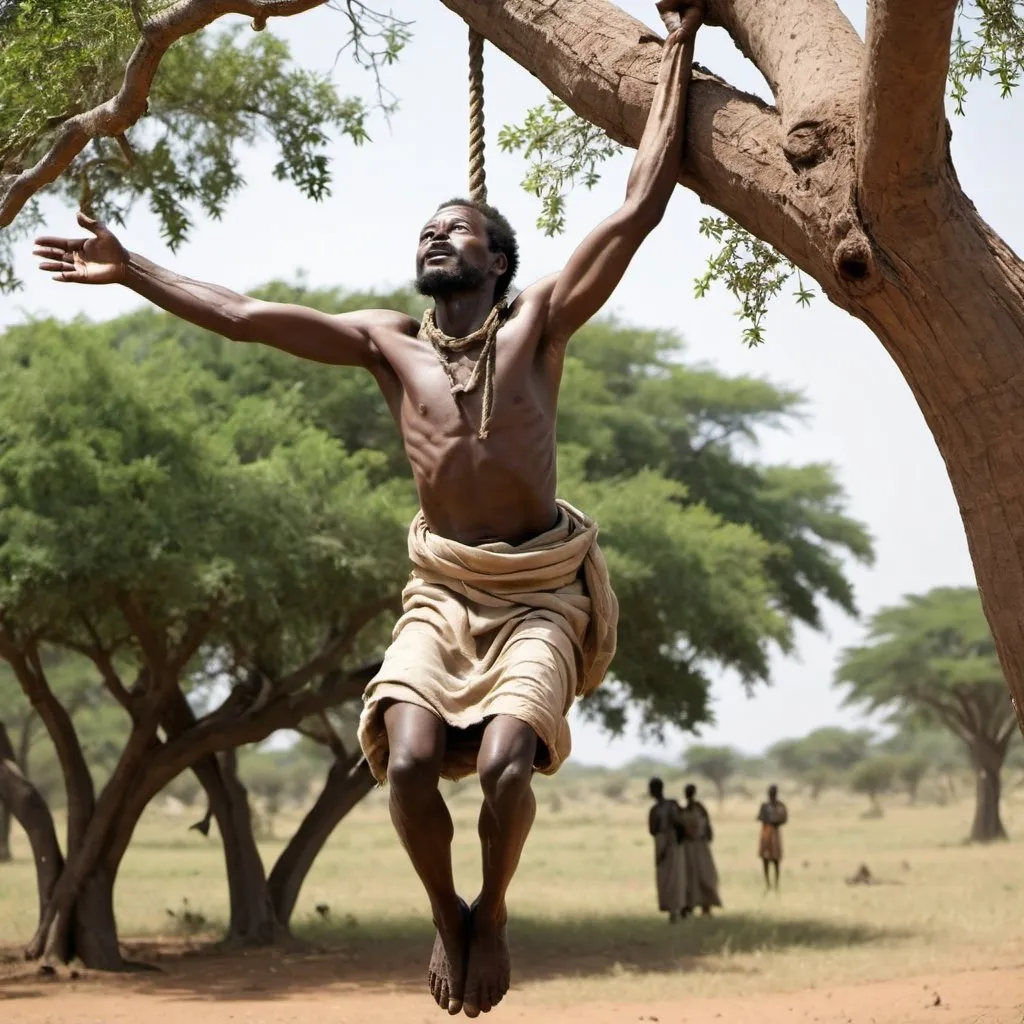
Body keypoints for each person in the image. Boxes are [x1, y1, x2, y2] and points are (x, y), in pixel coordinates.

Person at [32, 1, 704, 1013]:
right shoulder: (387, 342)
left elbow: (636, 206)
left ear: (497, 261)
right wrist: (136, 272)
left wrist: (683, 47)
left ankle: (496, 912)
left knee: (512, 769)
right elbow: (252, 318)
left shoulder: (539, 327)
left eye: (458, 228)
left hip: (534, 594)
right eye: (426, 230)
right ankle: (446, 915)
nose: (437, 235)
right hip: (441, 592)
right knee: (406, 762)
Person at [648, 777, 687, 922]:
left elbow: (654, 828)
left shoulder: (665, 807)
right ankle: (673, 908)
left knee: (672, 877)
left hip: (669, 843)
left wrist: (671, 840)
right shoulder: (663, 807)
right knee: (668, 876)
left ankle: (675, 910)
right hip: (665, 842)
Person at [679, 783, 721, 916]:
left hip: (698, 845)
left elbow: (707, 827)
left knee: (704, 874)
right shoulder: (684, 810)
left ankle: (705, 905)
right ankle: (689, 905)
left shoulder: (698, 809)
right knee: (689, 875)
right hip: (689, 846)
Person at [757, 784, 788, 891]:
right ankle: (768, 883)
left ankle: (776, 883)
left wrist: (775, 820)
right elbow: (760, 817)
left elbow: (784, 819)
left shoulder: (780, 806)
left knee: (776, 859)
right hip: (767, 832)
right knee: (765, 858)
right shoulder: (765, 806)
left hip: (775, 832)